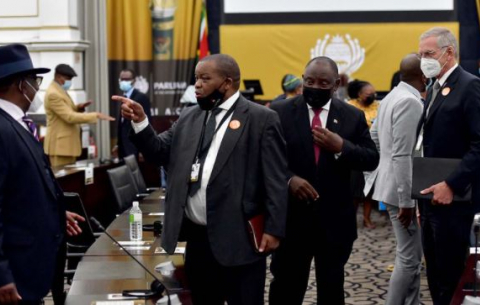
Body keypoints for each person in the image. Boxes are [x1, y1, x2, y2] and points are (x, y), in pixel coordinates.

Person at [114, 54, 288, 305]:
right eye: (196, 78)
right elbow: (159, 151)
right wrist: (141, 122)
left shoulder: (261, 118)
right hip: (198, 238)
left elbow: (275, 178)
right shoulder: (189, 116)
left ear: (227, 83)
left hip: (239, 237)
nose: (197, 84)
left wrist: (274, 228)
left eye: (205, 79)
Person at [269, 56, 379, 305]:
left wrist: (342, 147)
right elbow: (266, 160)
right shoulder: (279, 112)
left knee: (331, 289)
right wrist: (289, 180)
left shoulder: (352, 116)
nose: (315, 87)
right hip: (290, 221)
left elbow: (371, 158)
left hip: (334, 222)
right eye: (309, 81)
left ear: (336, 83)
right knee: (287, 288)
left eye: (323, 82)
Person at [0, 44, 84, 305]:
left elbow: (24, 186)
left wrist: (56, 213)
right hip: (15, 274)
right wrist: (2, 275)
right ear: (21, 85)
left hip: (33, 268)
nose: (37, 87)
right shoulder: (2, 129)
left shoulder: (20, 123)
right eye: (35, 80)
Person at [416, 27, 480, 305]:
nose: (423, 60)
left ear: (449, 52)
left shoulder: (469, 85)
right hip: (431, 197)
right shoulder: (434, 88)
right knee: (435, 273)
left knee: (451, 275)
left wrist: (451, 184)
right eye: (420, 55)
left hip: (454, 197)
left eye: (428, 54)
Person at [369, 54, 425, 305]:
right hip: (402, 192)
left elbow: (374, 136)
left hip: (391, 185)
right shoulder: (410, 102)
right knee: (409, 257)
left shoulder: (391, 96)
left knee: (411, 254)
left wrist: (386, 161)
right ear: (424, 75)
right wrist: (407, 201)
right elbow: (403, 154)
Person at [44, 64, 114, 167]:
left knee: (70, 179)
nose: (70, 82)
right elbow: (69, 117)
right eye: (68, 79)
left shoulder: (59, 90)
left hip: (66, 146)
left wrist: (78, 108)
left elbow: (65, 111)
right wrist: (96, 115)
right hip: (60, 148)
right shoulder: (53, 93)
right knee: (63, 180)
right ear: (59, 77)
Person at [347, 80, 380, 229]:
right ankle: (350, 220)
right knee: (355, 190)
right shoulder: (350, 106)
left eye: (374, 93)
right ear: (359, 95)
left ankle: (367, 219)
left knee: (369, 190)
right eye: (369, 94)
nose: (372, 96)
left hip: (372, 152)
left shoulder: (378, 106)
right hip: (354, 152)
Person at [113, 68, 151, 159]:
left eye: (127, 79)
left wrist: (144, 148)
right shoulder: (123, 97)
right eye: (122, 79)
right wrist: (118, 144)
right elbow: (122, 124)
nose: (124, 82)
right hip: (123, 148)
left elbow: (146, 123)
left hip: (135, 147)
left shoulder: (141, 98)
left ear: (134, 80)